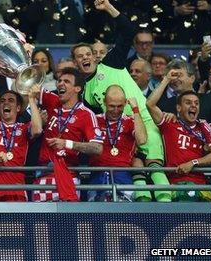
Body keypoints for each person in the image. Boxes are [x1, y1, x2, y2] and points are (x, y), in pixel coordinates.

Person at [72, 0, 171, 202]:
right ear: (75, 62)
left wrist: (108, 7)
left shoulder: (111, 63)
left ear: (94, 56)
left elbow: (127, 30)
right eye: (79, 56)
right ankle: (142, 208)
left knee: (154, 166)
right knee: (137, 172)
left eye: (88, 54)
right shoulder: (86, 94)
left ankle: (167, 209)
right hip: (122, 137)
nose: (85, 58)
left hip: (143, 122)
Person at [33, 67, 103, 202]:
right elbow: (30, 86)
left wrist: (67, 144)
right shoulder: (53, 101)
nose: (60, 84)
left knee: (67, 222)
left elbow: (97, 148)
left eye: (66, 81)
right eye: (59, 81)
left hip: (69, 177)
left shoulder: (86, 114)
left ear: (77, 88)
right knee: (41, 223)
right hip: (43, 176)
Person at [147, 84, 211, 201]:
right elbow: (150, 104)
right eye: (188, 103)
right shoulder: (169, 123)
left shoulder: (203, 126)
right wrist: (167, 79)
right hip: (176, 184)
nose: (193, 106)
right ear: (178, 108)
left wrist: (193, 163)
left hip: (201, 185)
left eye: (196, 103)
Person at [0, 86, 42, 201]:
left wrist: (31, 98)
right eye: (2, 101)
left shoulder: (24, 128)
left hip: (16, 189)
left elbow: (37, 130)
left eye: (11, 100)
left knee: (13, 220)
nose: (6, 103)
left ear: (18, 108)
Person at [88, 85, 147, 202]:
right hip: (97, 175)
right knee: (96, 216)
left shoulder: (131, 121)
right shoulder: (93, 119)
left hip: (123, 175)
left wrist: (135, 109)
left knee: (122, 218)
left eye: (120, 106)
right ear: (104, 102)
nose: (115, 110)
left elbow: (142, 140)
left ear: (125, 103)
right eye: (111, 106)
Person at [156, 59, 211, 123]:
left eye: (179, 75)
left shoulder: (210, 100)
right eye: (172, 76)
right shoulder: (165, 105)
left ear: (192, 78)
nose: (175, 79)